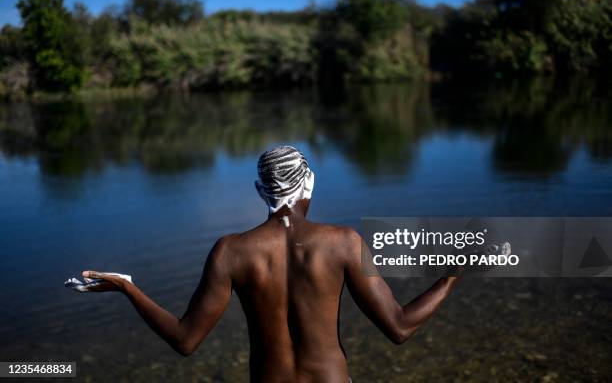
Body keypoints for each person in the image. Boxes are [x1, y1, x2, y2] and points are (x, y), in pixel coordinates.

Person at [80, 145, 459, 382]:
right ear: (310, 183)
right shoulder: (343, 242)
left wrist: (127, 287)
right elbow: (400, 327)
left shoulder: (230, 251)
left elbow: (185, 341)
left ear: (260, 191)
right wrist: (453, 274)